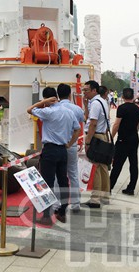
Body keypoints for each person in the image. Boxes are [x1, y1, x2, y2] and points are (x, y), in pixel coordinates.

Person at [27, 87, 80, 224]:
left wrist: (42, 102)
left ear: (46, 99)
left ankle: (46, 216)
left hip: (50, 150)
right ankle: (62, 212)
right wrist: (69, 143)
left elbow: (29, 110)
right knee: (63, 181)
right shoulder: (69, 112)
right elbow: (77, 129)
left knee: (47, 183)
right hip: (63, 150)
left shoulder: (48, 112)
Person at [56, 83, 85, 212]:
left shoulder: (54, 108)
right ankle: (76, 203)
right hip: (72, 144)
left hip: (58, 145)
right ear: (69, 94)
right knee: (73, 173)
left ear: (58, 95)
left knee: (57, 174)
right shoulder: (77, 109)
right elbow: (83, 120)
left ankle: (58, 203)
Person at [83, 80, 111, 208]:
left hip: (96, 137)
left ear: (94, 90)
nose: (84, 93)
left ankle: (95, 199)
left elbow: (93, 123)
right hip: (103, 136)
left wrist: (88, 141)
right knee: (103, 168)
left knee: (95, 168)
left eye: (86, 90)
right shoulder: (102, 101)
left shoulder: (95, 103)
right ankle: (105, 196)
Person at [109, 87, 139, 195]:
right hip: (134, 139)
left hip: (123, 139)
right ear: (133, 96)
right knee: (133, 164)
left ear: (123, 96)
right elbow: (137, 126)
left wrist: (111, 137)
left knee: (117, 164)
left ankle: (109, 187)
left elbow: (116, 124)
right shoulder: (138, 110)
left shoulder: (121, 108)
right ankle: (131, 187)